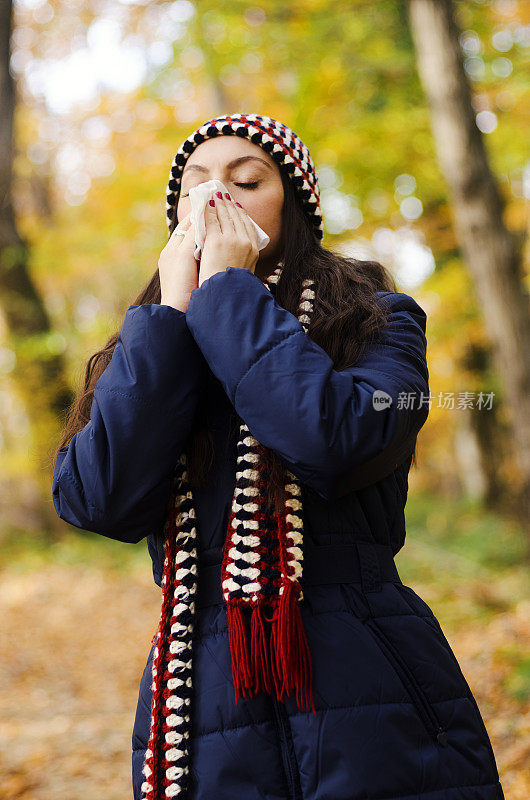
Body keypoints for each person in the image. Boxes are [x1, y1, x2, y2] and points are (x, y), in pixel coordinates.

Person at [51, 113, 504, 800]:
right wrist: (172, 316)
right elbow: (94, 497)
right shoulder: (148, 343)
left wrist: (231, 292)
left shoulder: (379, 319)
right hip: (196, 697)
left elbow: (339, 437)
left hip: (367, 671)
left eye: (246, 181)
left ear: (292, 205)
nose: (216, 199)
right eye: (195, 185)